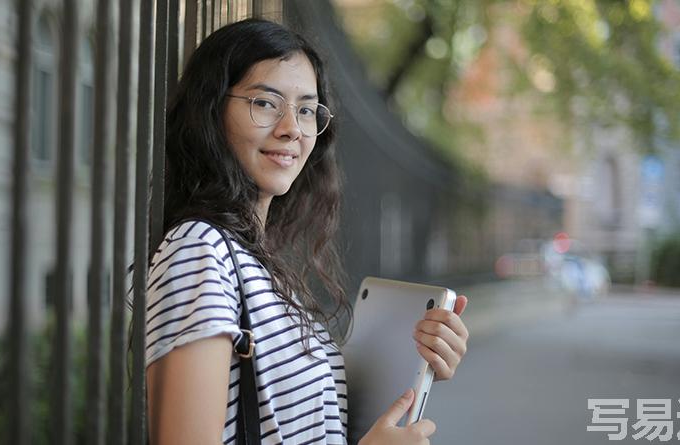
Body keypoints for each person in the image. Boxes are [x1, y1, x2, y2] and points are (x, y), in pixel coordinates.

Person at [144, 18, 469, 445]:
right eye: (265, 103)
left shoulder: (259, 263)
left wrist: (415, 364)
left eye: (305, 109)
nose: (292, 129)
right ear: (211, 109)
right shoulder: (200, 251)